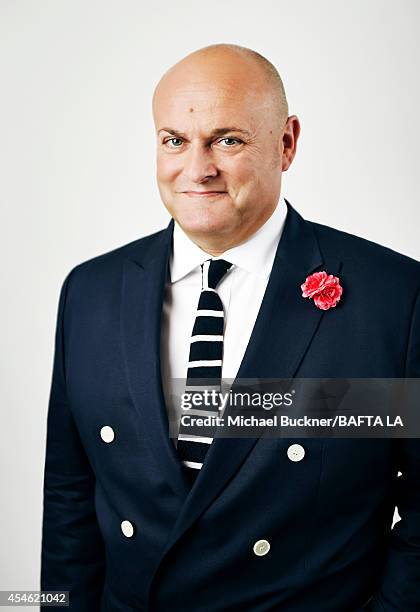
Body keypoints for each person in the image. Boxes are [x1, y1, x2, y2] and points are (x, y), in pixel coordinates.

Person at [41, 44, 420, 611]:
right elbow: (69, 499)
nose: (197, 169)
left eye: (228, 140)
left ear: (286, 143)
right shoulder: (90, 292)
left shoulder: (394, 297)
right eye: (174, 140)